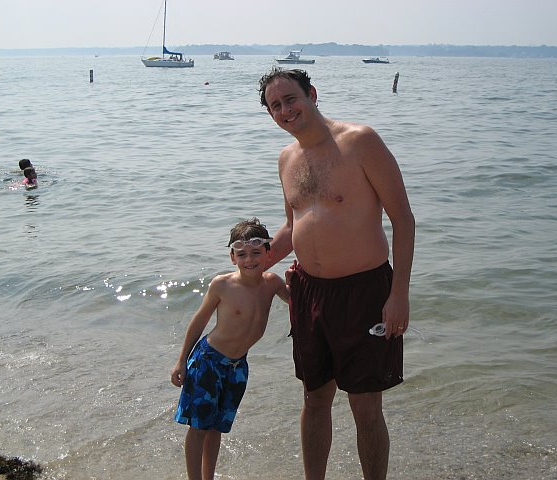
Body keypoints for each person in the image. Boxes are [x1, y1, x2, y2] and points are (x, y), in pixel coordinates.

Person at [258, 67, 415, 480]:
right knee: (314, 399)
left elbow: (403, 219)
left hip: (364, 292)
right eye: (275, 106)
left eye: (290, 99)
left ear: (311, 94)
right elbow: (292, 227)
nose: (285, 110)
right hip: (309, 293)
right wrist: (254, 265)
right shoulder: (286, 159)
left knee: (365, 406)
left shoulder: (360, 141)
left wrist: (399, 294)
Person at [171, 218, 291, 480]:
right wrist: (181, 360)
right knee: (199, 427)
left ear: (268, 254)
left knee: (217, 428)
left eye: (256, 252)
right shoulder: (222, 285)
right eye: (242, 254)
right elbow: (199, 321)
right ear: (233, 258)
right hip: (208, 362)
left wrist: (299, 281)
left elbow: (297, 302)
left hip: (237, 367)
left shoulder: (272, 283)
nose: (249, 260)